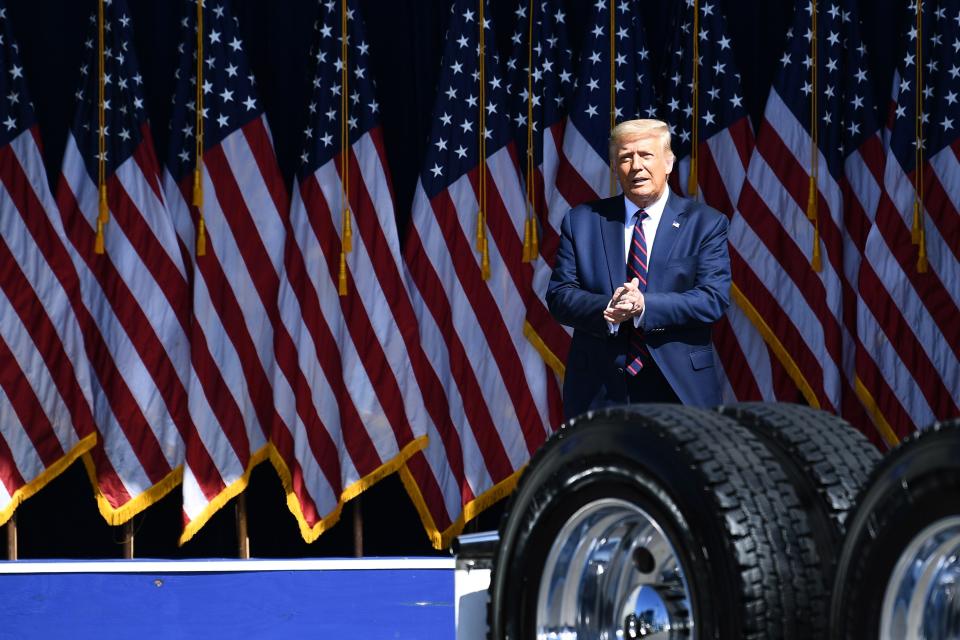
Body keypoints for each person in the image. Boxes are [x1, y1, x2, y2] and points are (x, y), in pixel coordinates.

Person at [546, 118, 731, 420]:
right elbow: (560, 296)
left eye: (646, 155)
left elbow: (712, 298)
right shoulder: (582, 221)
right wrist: (608, 308)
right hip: (599, 390)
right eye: (625, 157)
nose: (635, 166)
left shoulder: (706, 223)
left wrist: (643, 305)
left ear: (668, 163)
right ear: (615, 167)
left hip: (680, 389)